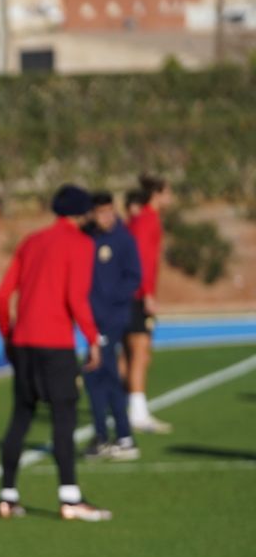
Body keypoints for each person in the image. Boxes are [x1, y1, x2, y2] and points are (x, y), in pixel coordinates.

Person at [0, 184, 111, 523]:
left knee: (21, 416)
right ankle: (70, 497)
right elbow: (76, 298)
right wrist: (92, 339)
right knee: (64, 418)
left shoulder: (31, 241)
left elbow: (2, 297)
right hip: (56, 343)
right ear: (82, 212)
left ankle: (8, 494)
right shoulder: (81, 244)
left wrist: (8, 335)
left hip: (24, 341)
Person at [83, 191, 142, 460]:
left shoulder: (123, 239)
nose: (104, 217)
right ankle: (106, 435)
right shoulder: (86, 236)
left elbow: (134, 277)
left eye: (108, 211)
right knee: (97, 375)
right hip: (90, 319)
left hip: (110, 319)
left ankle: (121, 436)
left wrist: (110, 302)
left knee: (101, 374)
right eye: (99, 212)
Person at [124, 174, 174, 434]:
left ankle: (128, 407)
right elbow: (141, 258)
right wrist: (146, 293)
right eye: (168, 193)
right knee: (140, 352)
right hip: (135, 295)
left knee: (132, 353)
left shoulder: (142, 219)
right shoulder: (147, 220)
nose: (170, 198)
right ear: (157, 194)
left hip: (131, 294)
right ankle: (137, 412)